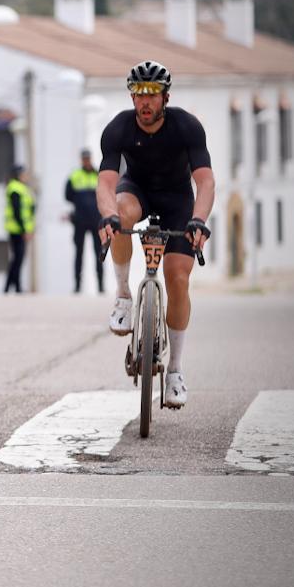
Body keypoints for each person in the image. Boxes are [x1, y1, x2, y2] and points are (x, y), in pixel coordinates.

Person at [97, 60, 214, 409]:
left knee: (177, 277)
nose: (144, 102)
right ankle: (123, 296)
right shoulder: (118, 128)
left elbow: (205, 181)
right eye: (138, 95)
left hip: (178, 199)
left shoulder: (186, 127)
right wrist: (108, 215)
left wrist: (198, 219)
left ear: (165, 97)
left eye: (152, 94)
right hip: (138, 191)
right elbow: (105, 182)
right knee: (120, 214)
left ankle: (175, 370)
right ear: (132, 97)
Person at [66, 148, 104, 294]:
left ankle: (100, 286)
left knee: (99, 254)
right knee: (79, 254)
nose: (86, 161)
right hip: (80, 221)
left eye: (88, 158)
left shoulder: (98, 175)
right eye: (84, 158)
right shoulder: (75, 176)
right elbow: (68, 195)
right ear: (81, 160)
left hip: (96, 221)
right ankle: (77, 286)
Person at [3, 165, 34, 293]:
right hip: (17, 230)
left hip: (21, 229)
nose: (25, 176)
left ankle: (10, 287)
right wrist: (24, 230)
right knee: (18, 259)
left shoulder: (22, 188)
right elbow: (17, 212)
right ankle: (16, 287)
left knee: (17, 259)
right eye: (23, 174)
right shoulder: (15, 188)